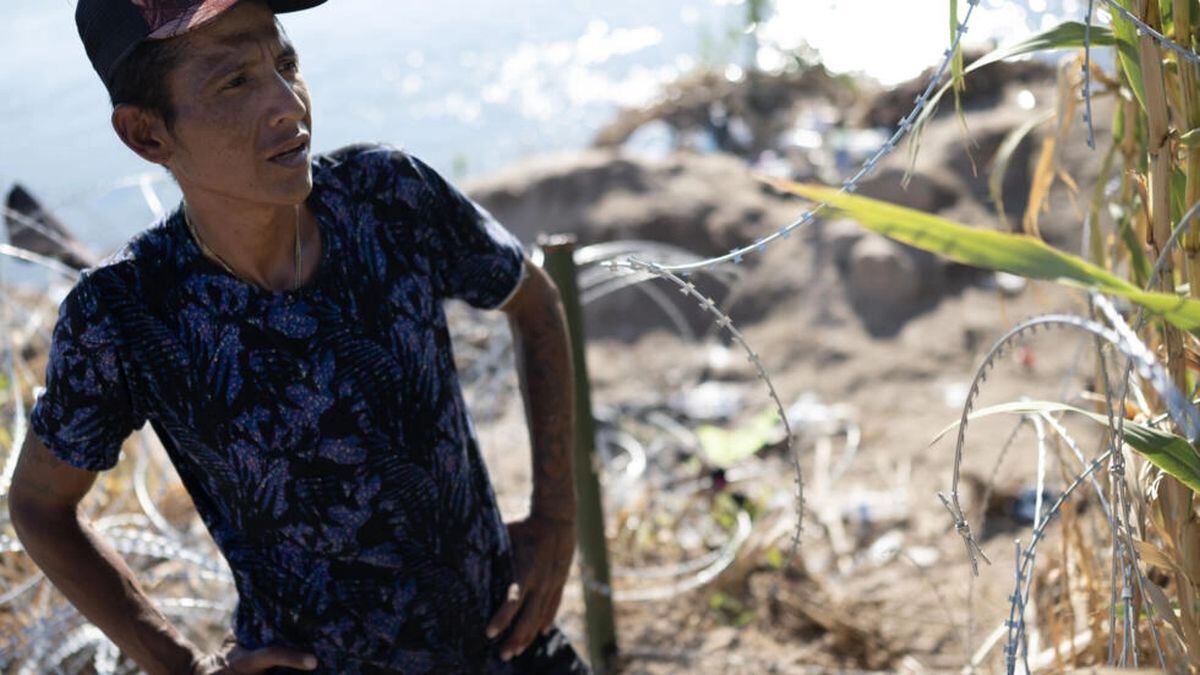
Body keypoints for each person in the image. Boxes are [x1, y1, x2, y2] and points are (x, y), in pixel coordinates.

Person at [7, 1, 589, 673]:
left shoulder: (386, 197)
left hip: (507, 641)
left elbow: (534, 301)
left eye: (286, 63)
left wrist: (556, 516)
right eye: (235, 83)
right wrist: (178, 662)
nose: (289, 104)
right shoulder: (127, 315)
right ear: (147, 134)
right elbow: (39, 504)